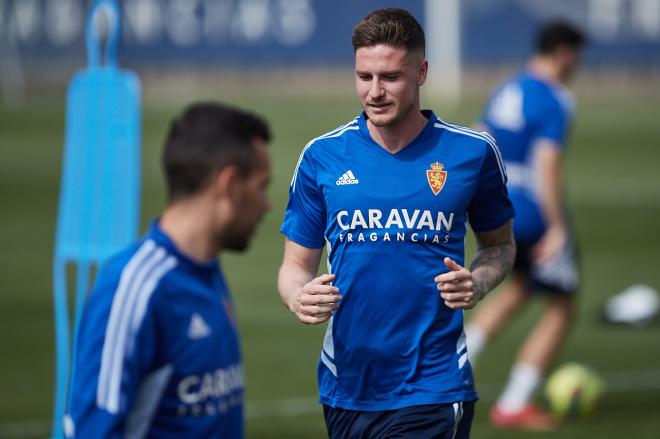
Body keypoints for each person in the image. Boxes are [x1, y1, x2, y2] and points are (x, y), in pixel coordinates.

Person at [278, 8, 515, 438]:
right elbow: (294, 266)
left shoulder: (473, 153)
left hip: (436, 386)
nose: (374, 92)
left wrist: (478, 282)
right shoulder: (321, 157)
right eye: (363, 77)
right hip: (346, 385)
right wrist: (297, 295)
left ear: (421, 72)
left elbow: (500, 246)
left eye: (389, 77)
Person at [65, 102, 272, 438]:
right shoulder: (134, 286)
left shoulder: (207, 272)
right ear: (230, 184)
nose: (267, 204)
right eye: (261, 186)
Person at [465, 20, 586, 431]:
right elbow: (547, 163)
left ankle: (453, 366)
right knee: (563, 304)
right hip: (534, 210)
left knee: (516, 289)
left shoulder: (507, 88)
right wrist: (557, 226)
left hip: (498, 203)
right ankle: (515, 402)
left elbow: (481, 138)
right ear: (566, 53)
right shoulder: (555, 98)